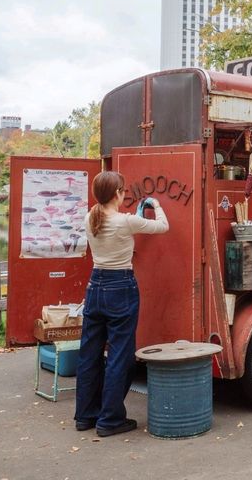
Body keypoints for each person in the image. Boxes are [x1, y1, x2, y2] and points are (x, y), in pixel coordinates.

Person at [74, 171, 169, 437]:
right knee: (119, 355)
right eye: (122, 190)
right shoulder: (125, 221)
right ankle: (110, 419)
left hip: (95, 286)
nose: (125, 193)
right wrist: (156, 205)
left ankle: (85, 415)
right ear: (117, 194)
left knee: (89, 354)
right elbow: (163, 227)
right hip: (121, 287)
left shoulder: (89, 218)